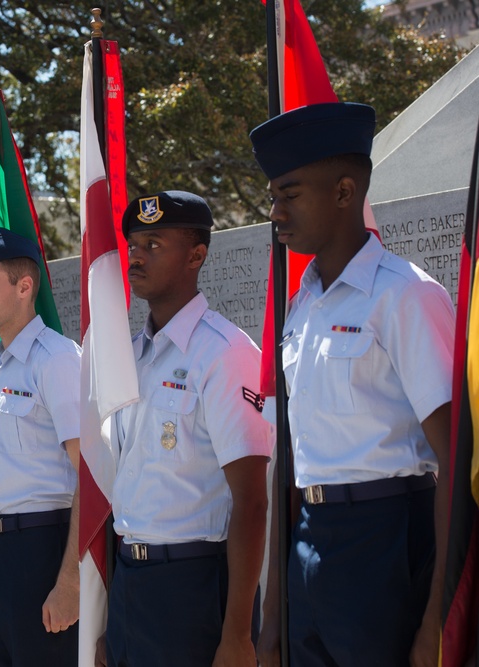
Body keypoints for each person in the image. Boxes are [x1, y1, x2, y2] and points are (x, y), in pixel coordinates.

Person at [250, 102, 454, 666]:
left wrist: (436, 616)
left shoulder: (405, 296)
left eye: (290, 195)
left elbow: (455, 458)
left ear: (344, 193)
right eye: (273, 197)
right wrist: (272, 617)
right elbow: (289, 464)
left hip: (386, 544)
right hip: (309, 543)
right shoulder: (301, 307)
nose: (275, 212)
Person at [103, 191, 272, 666]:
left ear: (196, 256)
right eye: (134, 244)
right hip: (130, 584)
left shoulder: (224, 353)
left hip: (193, 586)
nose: (136, 256)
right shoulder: (129, 357)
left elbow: (252, 501)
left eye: (154, 244)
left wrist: (237, 633)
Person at [0, 227, 81, 666]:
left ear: (25, 286)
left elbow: (91, 473)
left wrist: (71, 582)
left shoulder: (58, 360)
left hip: (44, 553)